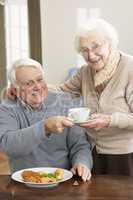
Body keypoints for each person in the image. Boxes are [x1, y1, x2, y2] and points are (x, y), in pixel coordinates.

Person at [57, 18, 133, 176]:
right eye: (84, 50)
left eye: (96, 46)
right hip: (92, 153)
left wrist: (109, 120)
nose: (90, 55)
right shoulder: (85, 72)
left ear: (110, 44)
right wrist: (21, 88)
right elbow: (60, 91)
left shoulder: (129, 68)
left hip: (125, 156)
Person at [0, 58, 92, 182]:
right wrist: (45, 128)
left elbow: (79, 145)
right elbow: (7, 145)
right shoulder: (7, 108)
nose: (37, 87)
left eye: (40, 80)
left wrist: (82, 163)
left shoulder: (65, 102)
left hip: (64, 180)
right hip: (25, 182)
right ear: (15, 88)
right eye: (29, 83)